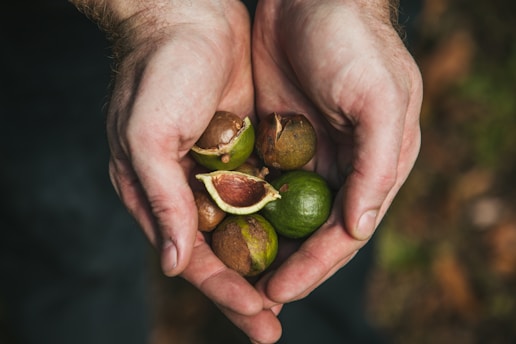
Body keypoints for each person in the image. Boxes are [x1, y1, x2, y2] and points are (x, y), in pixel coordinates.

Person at [1, 0, 422, 343]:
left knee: (324, 260)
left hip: (309, 37)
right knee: (78, 244)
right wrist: (152, 13)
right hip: (67, 31)